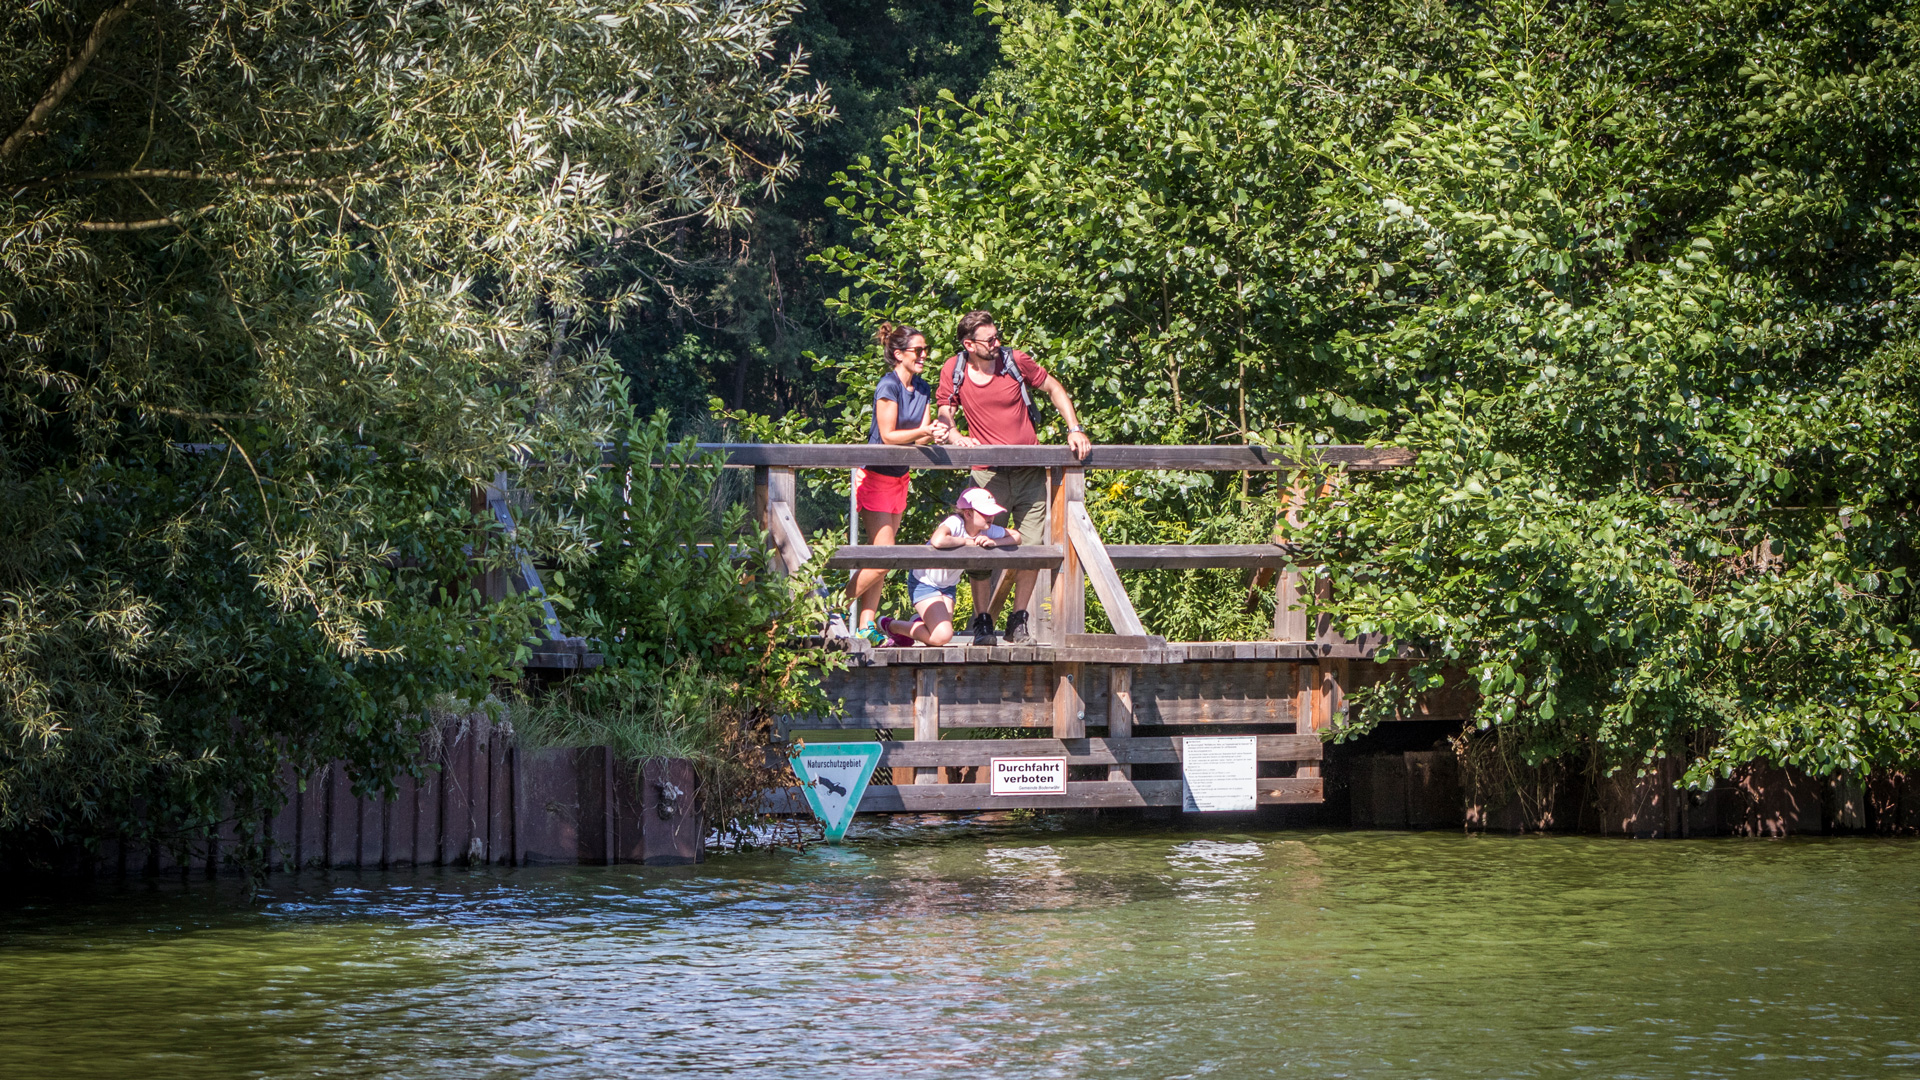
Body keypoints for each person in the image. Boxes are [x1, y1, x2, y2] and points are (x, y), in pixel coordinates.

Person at [934, 310, 1091, 645]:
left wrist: (1074, 429)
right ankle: (982, 621)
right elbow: (945, 409)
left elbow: (1053, 388)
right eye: (989, 340)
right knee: (978, 548)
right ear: (969, 345)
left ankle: (1018, 620)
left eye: (997, 336)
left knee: (1031, 547)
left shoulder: (1015, 361)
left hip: (1029, 472)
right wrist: (956, 435)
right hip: (987, 475)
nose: (997, 343)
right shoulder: (955, 369)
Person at [849, 323, 945, 645]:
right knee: (884, 557)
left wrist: (940, 434)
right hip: (876, 477)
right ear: (898, 353)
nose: (923, 356)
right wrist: (926, 432)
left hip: (900, 478)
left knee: (882, 559)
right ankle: (829, 607)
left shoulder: (923, 388)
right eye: (918, 350)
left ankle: (866, 626)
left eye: (925, 350)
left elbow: (924, 430)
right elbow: (889, 435)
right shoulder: (887, 386)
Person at [879, 487, 1021, 647]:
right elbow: (938, 540)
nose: (991, 517)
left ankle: (914, 625)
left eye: (992, 513)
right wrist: (967, 542)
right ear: (968, 513)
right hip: (925, 582)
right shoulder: (955, 523)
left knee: (937, 634)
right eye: (986, 514)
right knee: (942, 636)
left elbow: (1016, 537)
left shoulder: (986, 531)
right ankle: (891, 626)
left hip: (947, 586)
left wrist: (995, 542)